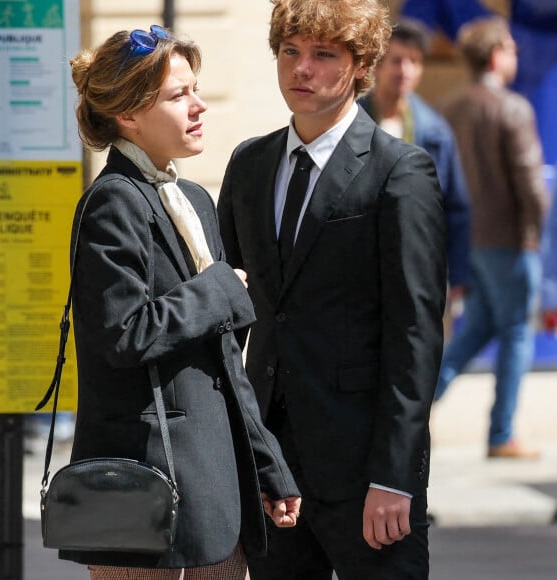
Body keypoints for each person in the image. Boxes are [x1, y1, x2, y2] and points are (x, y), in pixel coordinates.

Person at [217, 1, 447, 578]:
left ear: (361, 65)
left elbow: (414, 334)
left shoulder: (400, 170)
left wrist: (394, 476)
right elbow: (231, 310)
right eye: (290, 52)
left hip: (365, 467)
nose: (302, 69)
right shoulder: (249, 164)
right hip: (272, 467)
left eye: (324, 55)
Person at [65, 25, 300, 579]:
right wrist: (219, 289)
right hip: (144, 498)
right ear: (128, 114)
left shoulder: (192, 197)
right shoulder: (112, 203)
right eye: (178, 96)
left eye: (196, 90)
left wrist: (268, 467)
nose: (199, 107)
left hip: (214, 495)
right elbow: (122, 333)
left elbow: (225, 362)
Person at [435, 16, 550, 459]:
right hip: (510, 239)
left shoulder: (448, 109)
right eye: (512, 48)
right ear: (496, 54)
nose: (517, 55)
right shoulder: (512, 108)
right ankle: (502, 434)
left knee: (478, 330)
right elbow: (532, 186)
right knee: (518, 331)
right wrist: (534, 236)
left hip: (469, 242)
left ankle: (417, 408)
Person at [357, 19, 471, 325]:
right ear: (377, 66)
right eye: (396, 61)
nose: (404, 70)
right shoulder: (352, 121)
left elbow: (456, 207)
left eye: (414, 62)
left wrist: (458, 277)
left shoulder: (434, 131)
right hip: (359, 268)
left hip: (419, 268)